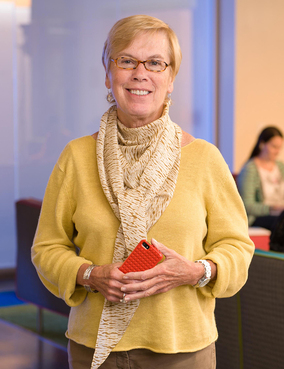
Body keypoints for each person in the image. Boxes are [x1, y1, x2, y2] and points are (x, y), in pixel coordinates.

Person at [31, 14, 254, 369]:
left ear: (170, 79)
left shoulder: (204, 158)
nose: (140, 73)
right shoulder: (76, 157)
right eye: (126, 61)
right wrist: (89, 274)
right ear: (108, 73)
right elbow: (46, 248)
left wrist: (197, 271)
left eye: (155, 63)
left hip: (183, 349)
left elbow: (238, 248)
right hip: (96, 349)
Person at [237, 126, 284, 231]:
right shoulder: (250, 170)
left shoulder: (280, 167)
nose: (277, 151)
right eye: (274, 147)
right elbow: (247, 206)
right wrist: (272, 208)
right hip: (259, 217)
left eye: (279, 147)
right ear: (262, 144)